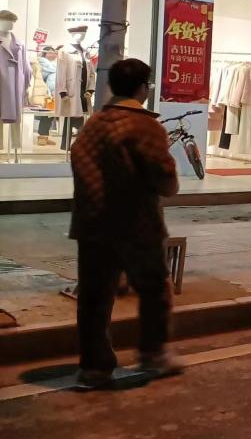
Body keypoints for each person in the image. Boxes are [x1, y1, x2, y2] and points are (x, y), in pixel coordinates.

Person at [69, 58, 183, 389]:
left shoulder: (93, 124)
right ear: (142, 88)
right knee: (154, 288)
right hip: (136, 225)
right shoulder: (144, 126)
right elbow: (165, 180)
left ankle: (94, 368)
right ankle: (154, 354)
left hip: (92, 225)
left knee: (95, 299)